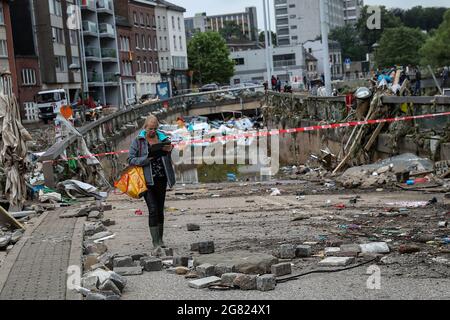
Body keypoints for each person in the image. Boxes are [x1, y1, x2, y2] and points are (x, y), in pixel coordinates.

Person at [128, 115, 176, 249]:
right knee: (153, 209)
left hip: (161, 178)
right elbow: (131, 159)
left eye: (155, 129)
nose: (152, 131)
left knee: (160, 209)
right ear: (145, 127)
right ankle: (155, 242)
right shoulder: (138, 141)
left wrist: (169, 151)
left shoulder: (163, 138)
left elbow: (168, 157)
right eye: (150, 129)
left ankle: (160, 240)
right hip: (146, 180)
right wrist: (146, 159)